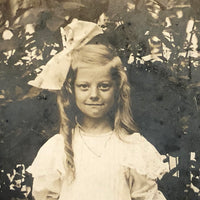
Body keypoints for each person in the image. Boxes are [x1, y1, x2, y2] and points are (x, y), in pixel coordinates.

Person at [27, 19, 169, 200]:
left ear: (117, 89)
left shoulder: (132, 147)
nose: (94, 95)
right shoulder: (59, 148)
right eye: (84, 86)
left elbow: (145, 196)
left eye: (103, 86)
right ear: (72, 90)